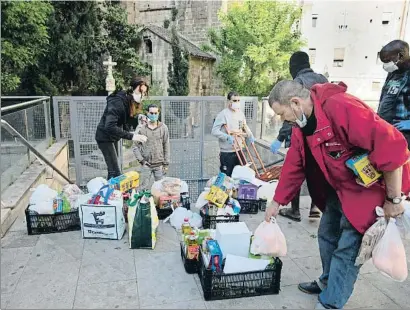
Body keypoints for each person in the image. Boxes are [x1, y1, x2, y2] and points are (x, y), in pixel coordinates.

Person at [265, 80, 410, 309]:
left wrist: (393, 199)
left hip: (367, 191)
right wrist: (277, 202)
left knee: (348, 249)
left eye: (282, 114)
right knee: (327, 235)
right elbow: (294, 164)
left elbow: (392, 145)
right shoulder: (302, 127)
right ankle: (327, 282)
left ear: (295, 103)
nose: (284, 120)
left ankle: (331, 302)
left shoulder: (341, 107)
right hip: (338, 189)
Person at [271, 51, 328, 221]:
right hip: (323, 136)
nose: (282, 117)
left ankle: (294, 210)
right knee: (319, 172)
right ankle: (315, 207)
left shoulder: (296, 84)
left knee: (298, 167)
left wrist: (280, 138)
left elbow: (291, 118)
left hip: (304, 135)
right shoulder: (322, 79)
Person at [95, 78, 149, 180]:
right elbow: (110, 126)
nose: (143, 95)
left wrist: (139, 118)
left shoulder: (129, 102)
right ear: (132, 89)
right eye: (140, 91)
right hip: (104, 138)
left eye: (145, 92)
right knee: (115, 171)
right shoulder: (117, 102)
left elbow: (125, 120)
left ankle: (111, 193)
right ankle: (112, 194)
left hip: (113, 138)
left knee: (114, 170)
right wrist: (133, 136)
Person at [211, 91, 255, 177]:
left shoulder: (240, 113)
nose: (237, 103)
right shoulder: (223, 114)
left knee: (242, 176)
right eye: (234, 100)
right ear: (228, 102)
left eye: (238, 100)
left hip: (239, 149)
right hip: (227, 152)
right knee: (227, 177)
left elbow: (244, 125)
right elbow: (214, 131)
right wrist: (226, 137)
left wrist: (250, 134)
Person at [378, 39, 410, 149]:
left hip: (405, 133)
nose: (385, 65)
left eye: (387, 60)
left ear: (400, 56)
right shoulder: (393, 73)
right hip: (388, 129)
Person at [133, 104, 170, 189]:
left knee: (161, 188)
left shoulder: (163, 128)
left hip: (159, 165)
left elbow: (166, 145)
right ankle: (142, 202)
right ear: (147, 113)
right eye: (151, 113)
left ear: (158, 113)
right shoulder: (142, 129)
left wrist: (166, 164)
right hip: (146, 165)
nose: (153, 115)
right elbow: (135, 146)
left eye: (155, 113)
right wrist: (141, 160)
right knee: (142, 188)